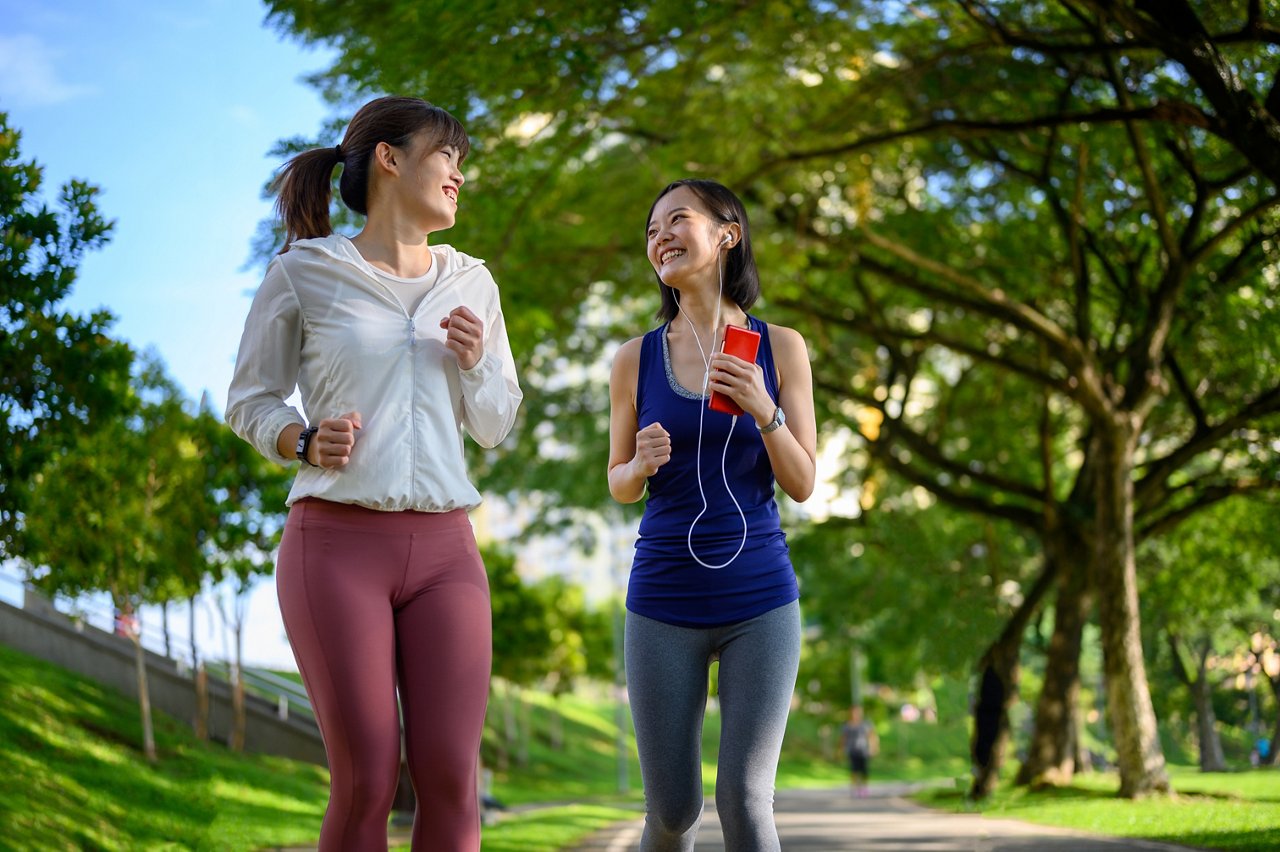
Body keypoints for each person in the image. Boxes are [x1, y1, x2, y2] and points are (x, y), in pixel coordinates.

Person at [226, 96, 522, 851]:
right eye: (446, 155)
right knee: (368, 776)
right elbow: (249, 399)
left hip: (448, 552)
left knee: (452, 777)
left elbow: (495, 425)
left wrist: (477, 360)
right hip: (336, 545)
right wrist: (299, 439)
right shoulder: (306, 271)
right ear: (389, 158)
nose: (459, 173)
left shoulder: (473, 284)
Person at [608, 179, 817, 850]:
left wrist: (767, 411)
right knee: (671, 810)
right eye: (650, 230)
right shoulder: (632, 359)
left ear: (728, 233)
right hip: (663, 597)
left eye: (677, 220)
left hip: (760, 597)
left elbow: (804, 481)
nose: (659, 236)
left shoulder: (781, 347)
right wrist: (638, 465)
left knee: (746, 801)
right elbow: (617, 483)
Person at [840, 705, 879, 798]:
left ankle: (864, 788)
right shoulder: (847, 725)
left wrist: (874, 747)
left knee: (864, 771)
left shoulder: (866, 724)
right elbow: (843, 738)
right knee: (854, 770)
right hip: (852, 750)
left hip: (863, 750)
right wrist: (841, 749)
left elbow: (872, 736)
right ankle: (854, 788)